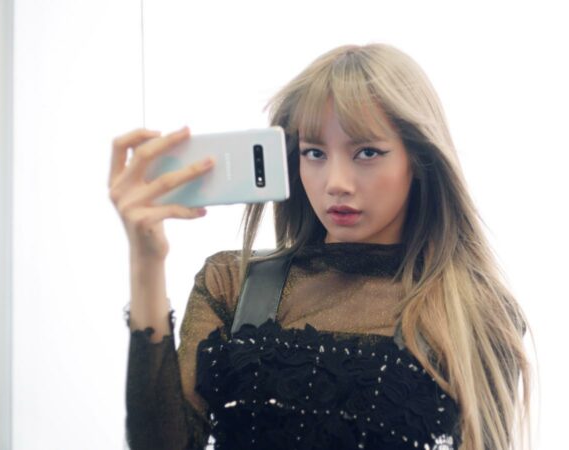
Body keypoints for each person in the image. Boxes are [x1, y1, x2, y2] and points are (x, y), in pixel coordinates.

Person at [109, 43, 533, 450]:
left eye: (367, 152)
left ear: (419, 160)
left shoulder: (473, 312)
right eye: (314, 153)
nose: (336, 183)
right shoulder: (231, 285)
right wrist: (146, 262)